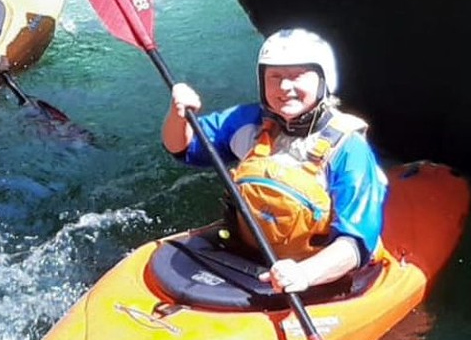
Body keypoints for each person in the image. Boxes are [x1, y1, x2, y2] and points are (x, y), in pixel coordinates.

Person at [162, 28, 387, 295]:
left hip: (319, 272)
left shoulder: (349, 150)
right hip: (250, 255)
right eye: (275, 77)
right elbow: (183, 149)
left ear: (324, 79)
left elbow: (355, 243)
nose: (284, 87)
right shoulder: (248, 122)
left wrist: (303, 274)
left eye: (297, 76)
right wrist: (178, 115)